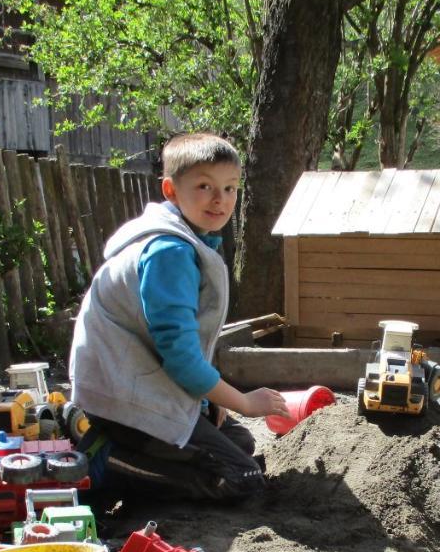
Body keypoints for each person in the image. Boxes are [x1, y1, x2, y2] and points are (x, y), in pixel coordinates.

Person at [68, 132, 289, 501]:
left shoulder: (187, 239)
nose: (221, 199)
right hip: (122, 398)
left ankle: (136, 456)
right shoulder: (169, 252)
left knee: (240, 441)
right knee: (243, 478)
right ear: (171, 190)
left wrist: (210, 401)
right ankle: (109, 461)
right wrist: (245, 402)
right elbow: (182, 359)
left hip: (140, 384)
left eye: (231, 188)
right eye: (205, 186)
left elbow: (176, 344)